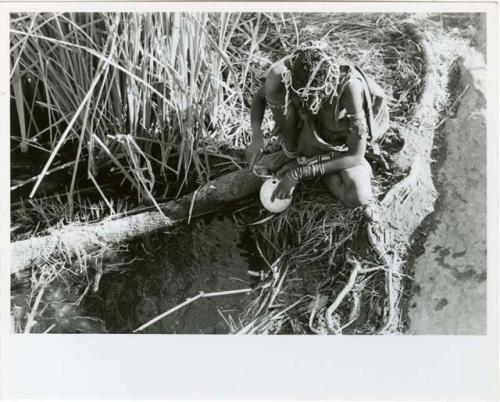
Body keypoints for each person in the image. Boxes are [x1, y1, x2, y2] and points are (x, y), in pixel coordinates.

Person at [245, 40, 389, 216]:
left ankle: (315, 160)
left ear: (329, 84)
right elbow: (260, 98)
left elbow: (355, 155)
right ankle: (296, 152)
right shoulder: (294, 70)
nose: (309, 100)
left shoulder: (349, 88)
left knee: (358, 195)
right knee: (276, 85)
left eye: (316, 94)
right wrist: (256, 136)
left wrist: (298, 174)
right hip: (311, 128)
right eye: (304, 94)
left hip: (341, 141)